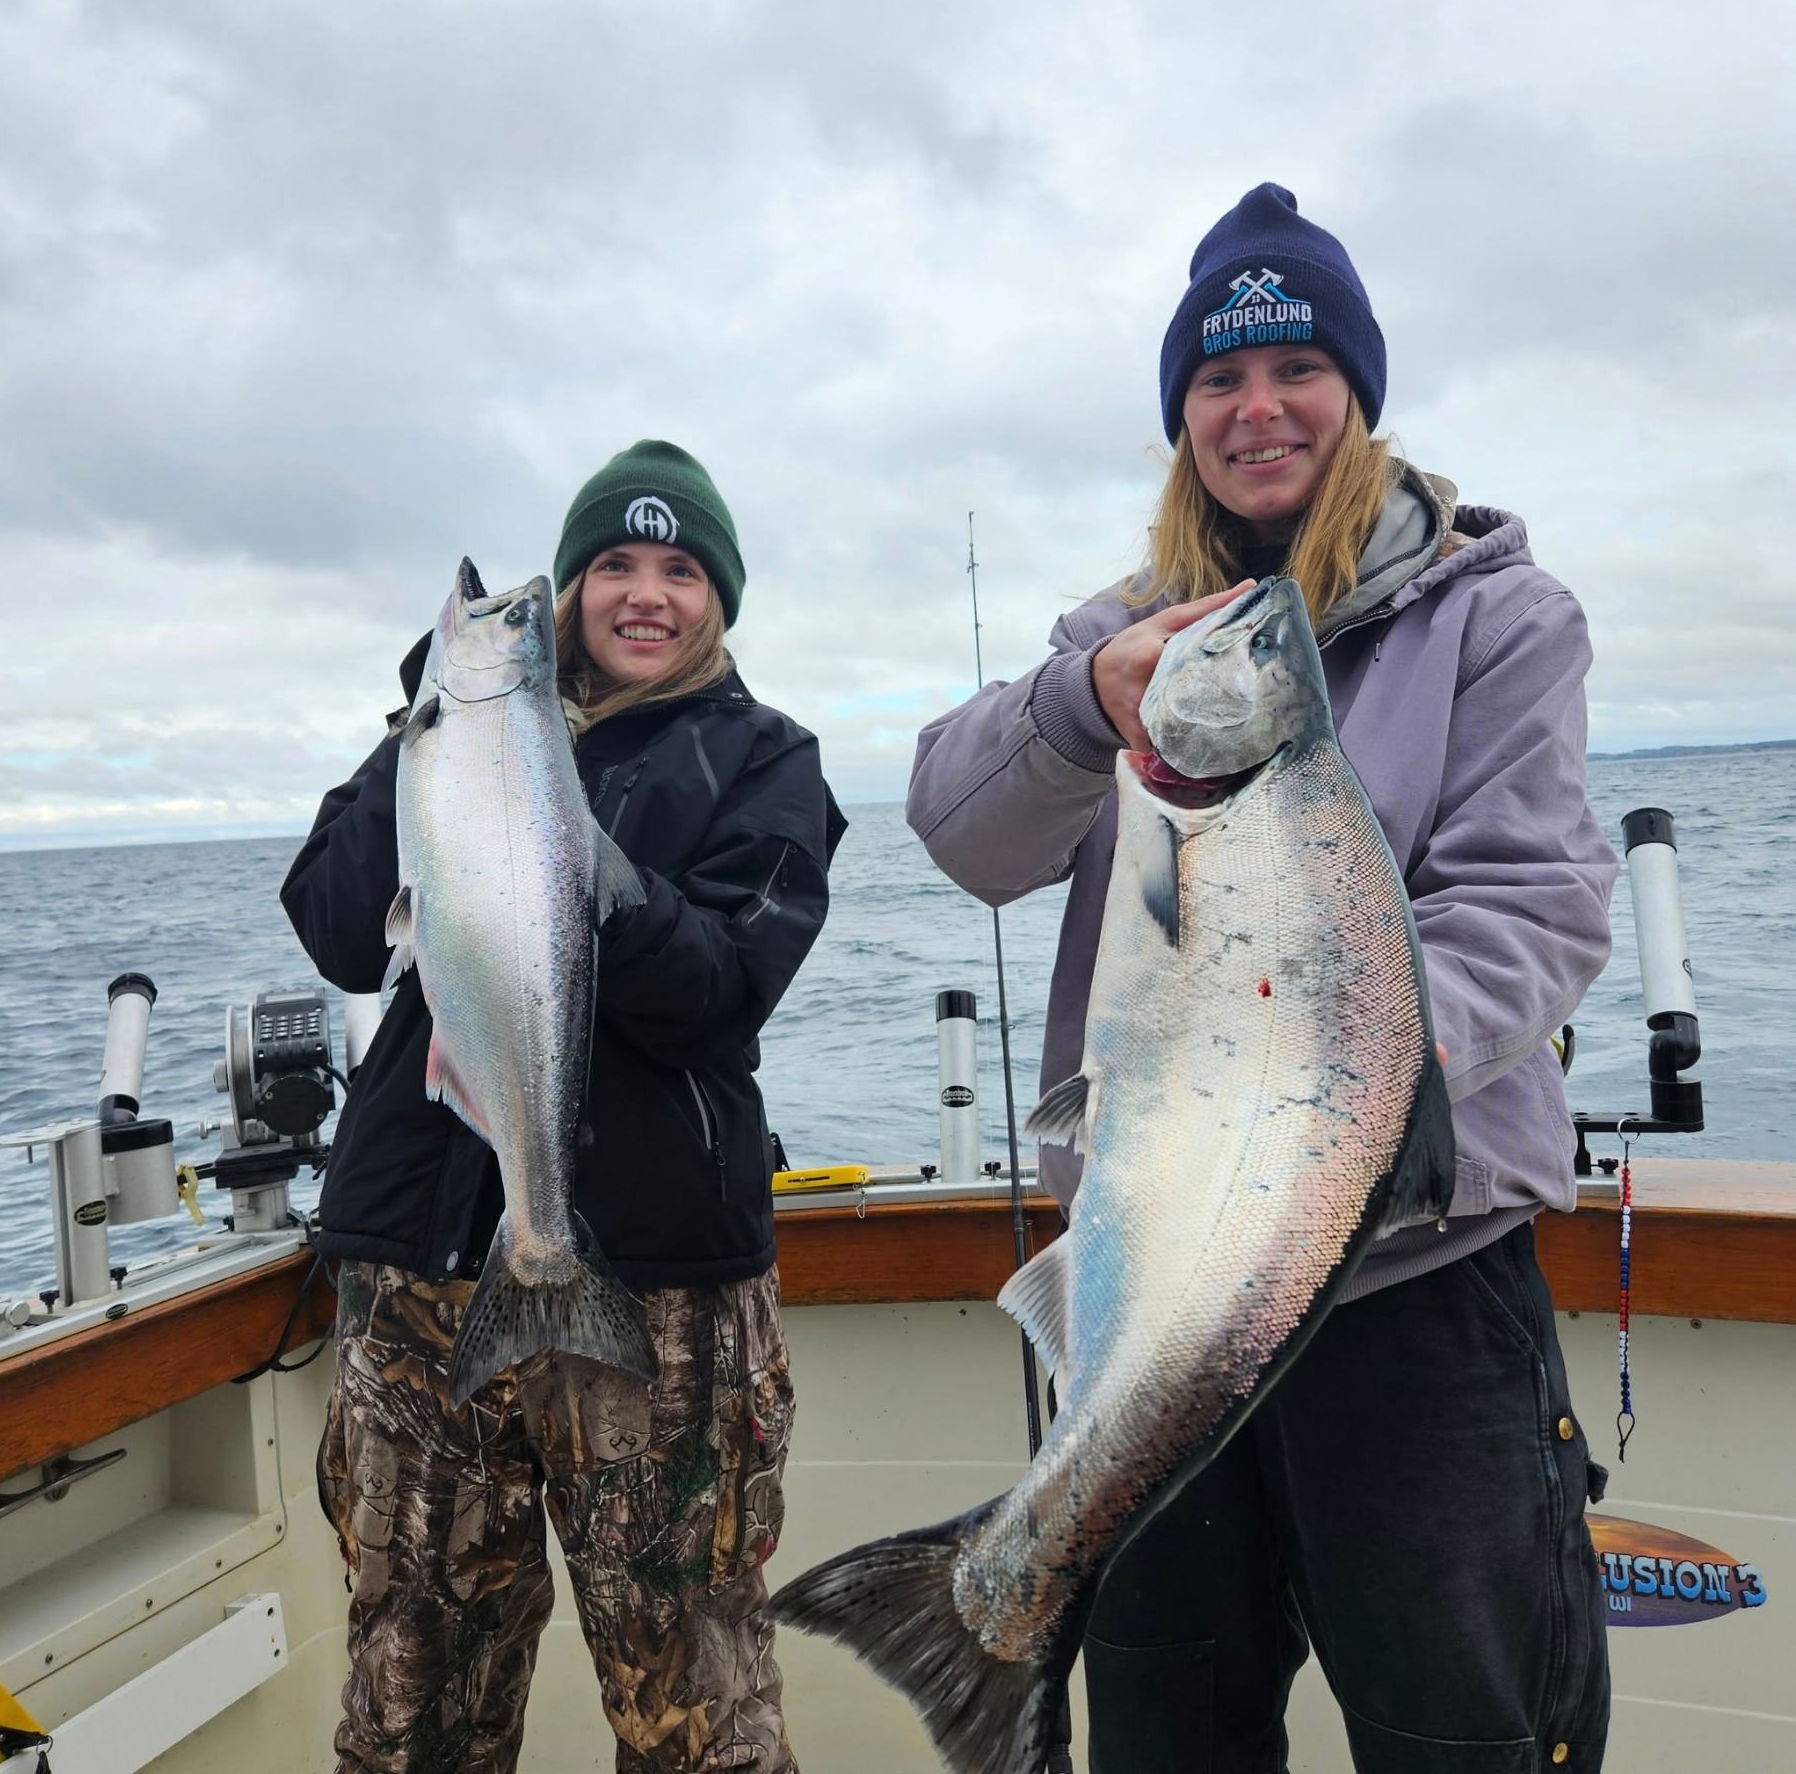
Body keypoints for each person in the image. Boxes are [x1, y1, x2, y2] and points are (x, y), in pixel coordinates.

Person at [907, 185, 1618, 1771]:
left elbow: (1542, 904)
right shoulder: (1119, 639)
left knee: (1462, 1735)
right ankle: (990, 1602)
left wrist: (1335, 1082)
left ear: (1358, 391)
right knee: (1171, 1738)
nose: (1259, 407)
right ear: (1183, 418)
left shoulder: (1499, 618)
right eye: (1219, 379)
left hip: (1419, 1292)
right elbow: (962, 831)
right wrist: (1083, 701)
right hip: (1149, 1277)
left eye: (1298, 366)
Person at [283, 439, 845, 1774]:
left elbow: (721, 997)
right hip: (417, 1278)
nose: (645, 595)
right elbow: (338, 930)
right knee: (414, 1695)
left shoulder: (766, 759)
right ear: (573, 587)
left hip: (657, 1300)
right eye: (613, 566)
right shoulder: (443, 736)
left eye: (681, 571)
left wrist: (594, 874)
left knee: (692, 1702)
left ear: (719, 599)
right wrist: (426, 732)